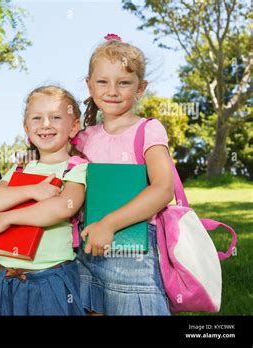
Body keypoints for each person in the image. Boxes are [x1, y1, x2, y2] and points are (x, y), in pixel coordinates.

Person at [75, 34, 173, 315]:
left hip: (133, 250)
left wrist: (110, 223)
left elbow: (162, 189)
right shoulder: (83, 137)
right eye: (103, 82)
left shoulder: (147, 130)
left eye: (124, 82)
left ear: (140, 88)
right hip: (88, 247)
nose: (112, 90)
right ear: (89, 85)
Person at [0, 86, 87, 315]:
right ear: (26, 128)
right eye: (37, 118)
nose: (46, 124)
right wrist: (32, 190)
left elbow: (61, 207)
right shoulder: (21, 167)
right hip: (6, 276)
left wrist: (9, 217)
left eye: (56, 117)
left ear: (74, 126)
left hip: (50, 279)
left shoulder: (75, 168)